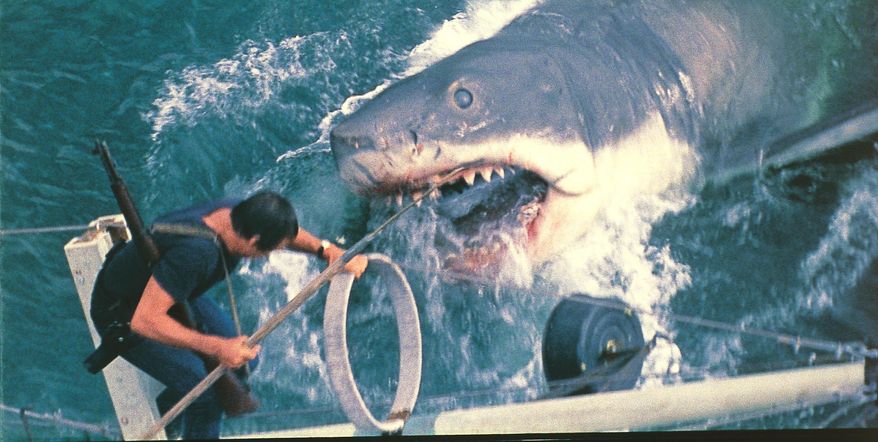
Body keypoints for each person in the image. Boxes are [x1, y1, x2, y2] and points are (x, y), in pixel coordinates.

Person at [89, 191, 367, 439]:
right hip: (124, 316)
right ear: (254, 240)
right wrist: (218, 347)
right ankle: (190, 403)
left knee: (245, 362)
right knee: (208, 393)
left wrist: (328, 251)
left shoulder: (239, 212)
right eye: (270, 249)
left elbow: (288, 234)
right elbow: (145, 320)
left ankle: (175, 412)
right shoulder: (198, 253)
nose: (272, 254)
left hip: (173, 294)